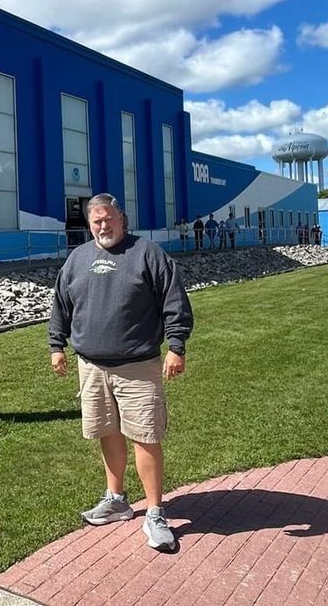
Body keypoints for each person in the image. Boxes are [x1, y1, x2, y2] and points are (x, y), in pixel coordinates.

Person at [49, 194, 194, 553]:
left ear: (122, 219)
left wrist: (176, 346)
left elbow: (174, 301)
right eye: (96, 221)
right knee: (107, 432)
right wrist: (56, 346)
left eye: (109, 219)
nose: (103, 226)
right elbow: (61, 304)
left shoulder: (148, 254)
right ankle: (116, 499)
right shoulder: (77, 259)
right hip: (92, 367)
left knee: (145, 436)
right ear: (89, 223)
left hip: (138, 367)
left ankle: (155, 512)